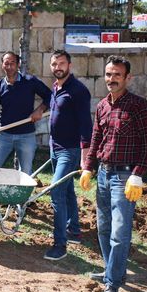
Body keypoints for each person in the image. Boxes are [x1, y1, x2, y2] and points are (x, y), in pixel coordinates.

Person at [79, 55, 147, 292]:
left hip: (124, 178)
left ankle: (112, 284)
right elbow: (96, 141)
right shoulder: (102, 106)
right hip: (103, 173)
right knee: (103, 228)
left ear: (127, 78)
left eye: (117, 75)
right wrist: (88, 168)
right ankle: (112, 269)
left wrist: (137, 174)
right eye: (109, 74)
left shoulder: (138, 105)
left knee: (120, 233)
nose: (111, 79)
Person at [43, 50, 92, 261]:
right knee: (67, 190)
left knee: (56, 192)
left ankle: (60, 245)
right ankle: (74, 231)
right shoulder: (56, 87)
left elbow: (86, 126)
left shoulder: (78, 91)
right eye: (54, 64)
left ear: (69, 65)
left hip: (69, 150)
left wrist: (84, 159)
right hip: (55, 148)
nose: (57, 67)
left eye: (61, 63)